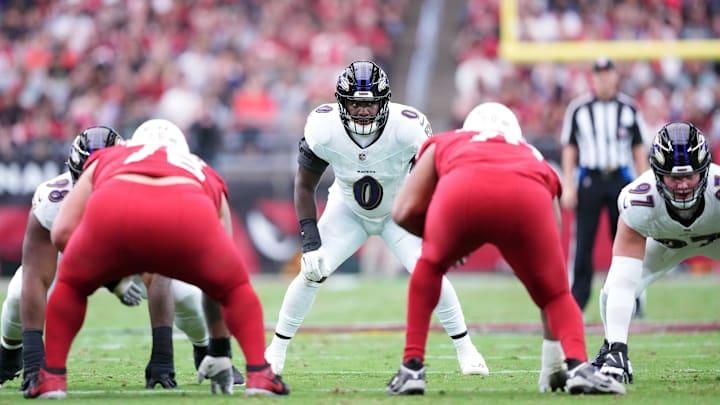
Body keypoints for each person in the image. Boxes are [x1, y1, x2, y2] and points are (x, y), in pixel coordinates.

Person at [23, 119, 288, 399]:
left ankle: (51, 379)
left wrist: (100, 275)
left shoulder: (110, 157)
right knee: (234, 286)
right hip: (186, 210)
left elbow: (63, 231)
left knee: (71, 284)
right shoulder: (201, 167)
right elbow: (220, 282)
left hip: (116, 210)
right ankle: (260, 373)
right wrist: (220, 350)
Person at [264, 60, 487, 377]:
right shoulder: (323, 127)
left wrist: (443, 229)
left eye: (369, 104)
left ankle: (467, 350)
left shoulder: (409, 126)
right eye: (355, 103)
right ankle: (276, 350)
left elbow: (437, 180)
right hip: (347, 209)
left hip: (400, 211)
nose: (363, 111)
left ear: (384, 103)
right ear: (341, 102)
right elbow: (304, 185)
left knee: (429, 271)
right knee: (311, 270)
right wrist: (310, 241)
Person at [386, 102, 626, 395]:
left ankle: (412, 368)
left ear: (469, 127)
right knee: (557, 294)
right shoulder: (532, 153)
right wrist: (551, 359)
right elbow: (554, 241)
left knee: (429, 267)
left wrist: (437, 242)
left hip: (463, 192)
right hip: (527, 198)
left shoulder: (449, 140)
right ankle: (577, 366)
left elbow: (402, 211)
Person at [593, 121, 718, 384]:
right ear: (658, 174)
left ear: (704, 172)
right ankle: (614, 351)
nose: (683, 185)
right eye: (674, 178)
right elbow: (624, 278)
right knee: (611, 290)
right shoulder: (638, 199)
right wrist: (619, 347)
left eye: (689, 176)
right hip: (664, 244)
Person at [560, 56, 649, 313]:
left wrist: (643, 183)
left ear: (615, 76)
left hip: (621, 179)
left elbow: (638, 147)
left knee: (627, 239)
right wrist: (569, 185)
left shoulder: (629, 109)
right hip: (590, 178)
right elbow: (569, 147)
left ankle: (634, 297)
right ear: (593, 77)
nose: (603, 78)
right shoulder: (578, 109)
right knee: (583, 243)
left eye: (607, 73)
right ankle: (577, 300)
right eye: (598, 74)